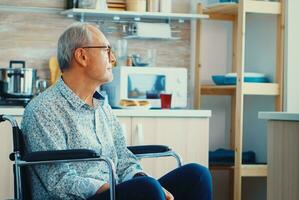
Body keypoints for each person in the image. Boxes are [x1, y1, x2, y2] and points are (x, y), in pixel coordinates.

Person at [21, 22, 212, 200]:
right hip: (83, 197)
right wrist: (124, 188)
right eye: (106, 50)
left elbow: (123, 157)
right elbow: (58, 181)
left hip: (114, 190)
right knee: (147, 188)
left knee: (197, 175)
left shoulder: (103, 107)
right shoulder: (43, 110)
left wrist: (137, 178)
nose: (113, 58)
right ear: (82, 56)